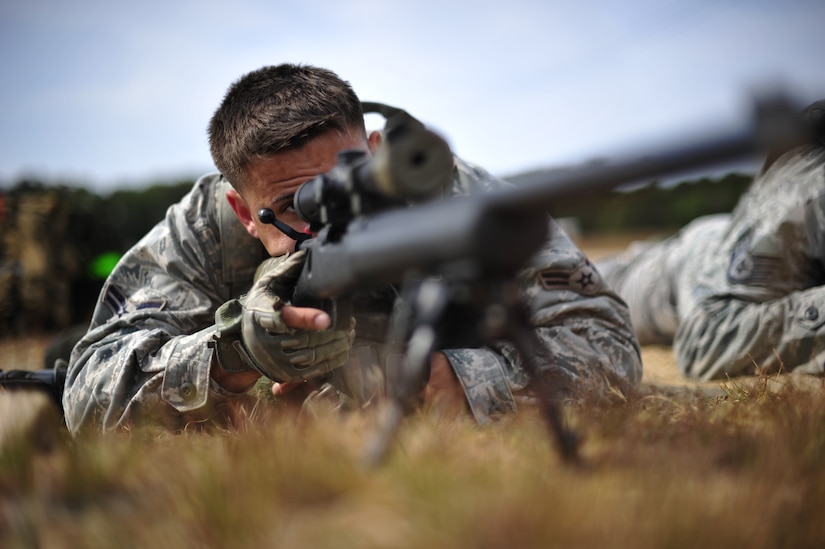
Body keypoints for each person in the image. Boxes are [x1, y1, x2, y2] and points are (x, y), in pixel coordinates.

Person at [63, 64, 642, 434]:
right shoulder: (199, 231)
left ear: (375, 150)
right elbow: (86, 395)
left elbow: (607, 344)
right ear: (243, 212)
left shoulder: (449, 194)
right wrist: (237, 355)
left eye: (348, 181)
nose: (334, 220)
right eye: (295, 209)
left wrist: (461, 380)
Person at [597, 100, 825, 381]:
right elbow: (704, 339)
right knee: (583, 289)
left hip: (717, 244)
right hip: (674, 272)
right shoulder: (805, 195)